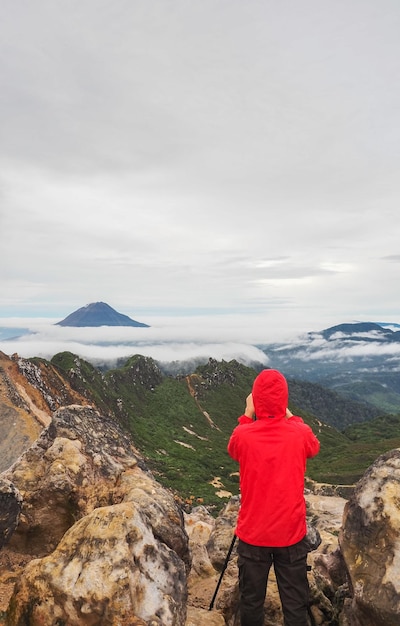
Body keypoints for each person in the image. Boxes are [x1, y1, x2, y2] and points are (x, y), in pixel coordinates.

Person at [227, 368, 320, 626]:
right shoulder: (298, 434)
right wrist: (288, 414)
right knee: (295, 603)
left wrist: (248, 413)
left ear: (255, 400)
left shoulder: (243, 436)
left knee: (252, 602)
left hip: (253, 534)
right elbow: (314, 446)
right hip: (290, 534)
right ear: (284, 399)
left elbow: (233, 447)